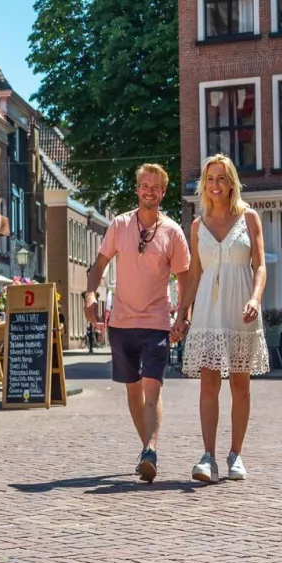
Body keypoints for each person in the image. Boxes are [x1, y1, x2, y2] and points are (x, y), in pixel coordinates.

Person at [86, 163, 192, 484]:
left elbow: (185, 277)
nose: (149, 191)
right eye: (144, 185)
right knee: (133, 391)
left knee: (151, 387)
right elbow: (99, 265)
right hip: (121, 322)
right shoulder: (119, 225)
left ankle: (150, 449)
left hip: (156, 322)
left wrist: (183, 315)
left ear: (163, 191)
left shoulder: (173, 231)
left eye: (155, 187)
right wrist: (90, 295)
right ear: (137, 189)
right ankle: (145, 448)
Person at [176, 154, 268, 484]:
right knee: (208, 384)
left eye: (221, 178)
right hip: (207, 311)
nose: (215, 185)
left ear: (232, 183)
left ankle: (236, 454)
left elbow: (260, 265)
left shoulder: (249, 218)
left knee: (241, 386)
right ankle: (207, 457)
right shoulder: (197, 226)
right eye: (210, 179)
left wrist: (255, 298)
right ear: (205, 184)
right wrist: (182, 314)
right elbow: (195, 275)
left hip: (241, 306)